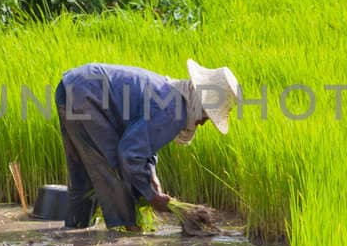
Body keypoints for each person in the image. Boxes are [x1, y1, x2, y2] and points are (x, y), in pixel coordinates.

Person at [55, 60, 240, 231]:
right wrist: (152, 196)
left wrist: (151, 175)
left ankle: (75, 230)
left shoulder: (172, 94)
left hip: (71, 86)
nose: (202, 123)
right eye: (207, 116)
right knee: (113, 171)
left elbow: (142, 142)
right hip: (87, 95)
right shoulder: (174, 111)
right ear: (200, 104)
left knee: (83, 173)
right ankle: (124, 236)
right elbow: (129, 153)